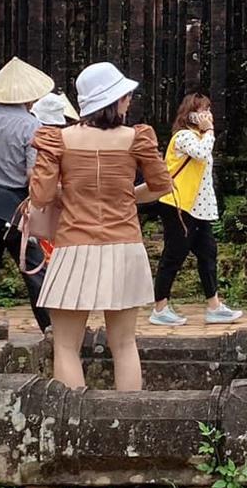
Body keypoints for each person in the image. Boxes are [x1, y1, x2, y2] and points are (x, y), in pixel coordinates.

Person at [31, 62, 174, 391]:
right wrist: (125, 198)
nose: (129, 102)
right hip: (124, 244)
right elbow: (161, 186)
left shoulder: (59, 140)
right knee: (124, 345)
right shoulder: (136, 138)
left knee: (66, 345)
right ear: (115, 100)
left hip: (73, 245)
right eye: (126, 97)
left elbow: (41, 196)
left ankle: (75, 427)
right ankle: (127, 426)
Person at [0, 58, 56, 329]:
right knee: (34, 270)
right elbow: (31, 174)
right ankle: (51, 328)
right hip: (17, 206)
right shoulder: (31, 124)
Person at [150, 93, 243, 327]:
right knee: (174, 255)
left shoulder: (200, 137)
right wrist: (210, 131)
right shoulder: (183, 137)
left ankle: (214, 305)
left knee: (208, 253)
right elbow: (201, 153)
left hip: (199, 208)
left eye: (209, 110)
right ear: (190, 114)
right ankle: (159, 308)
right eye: (202, 110)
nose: (208, 115)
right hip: (178, 205)